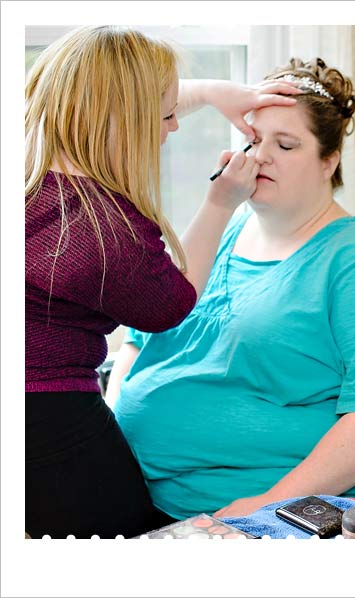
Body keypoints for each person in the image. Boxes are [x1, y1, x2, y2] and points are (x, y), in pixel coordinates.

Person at [108, 57, 355, 522]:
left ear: (329, 161)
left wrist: (264, 507)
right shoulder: (217, 231)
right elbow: (139, 343)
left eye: (287, 144)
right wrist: (115, 429)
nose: (262, 156)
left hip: (278, 517)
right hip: (149, 501)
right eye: (253, 140)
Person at [25, 26, 302, 539]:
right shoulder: (99, 230)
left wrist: (212, 92)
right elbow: (171, 304)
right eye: (166, 115)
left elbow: (108, 98)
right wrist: (220, 204)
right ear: (124, 121)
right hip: (46, 425)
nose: (174, 128)